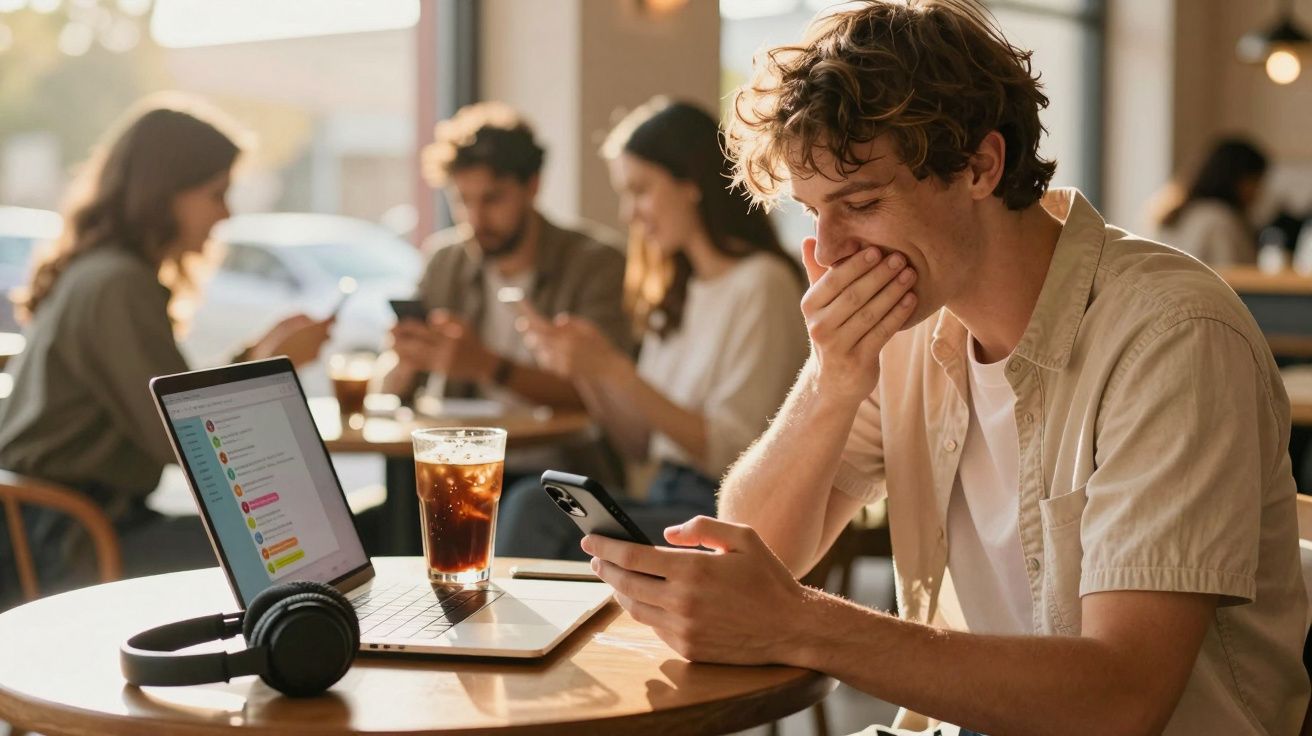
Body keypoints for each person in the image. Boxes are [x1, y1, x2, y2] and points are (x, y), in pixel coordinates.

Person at [578, 3, 1309, 735]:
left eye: (860, 202)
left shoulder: (1171, 336)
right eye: (812, 212)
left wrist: (803, 625)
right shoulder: (910, 322)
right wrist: (830, 384)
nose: (828, 252)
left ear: (981, 166)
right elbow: (748, 547)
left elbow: (1123, 698)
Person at [0, 99, 333, 606]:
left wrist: (261, 353)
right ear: (163, 194)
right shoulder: (117, 284)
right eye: (215, 194)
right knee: (311, 549)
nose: (226, 213)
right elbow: (185, 442)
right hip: (72, 541)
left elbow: (174, 411)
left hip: (62, 526)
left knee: (305, 541)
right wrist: (272, 363)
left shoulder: (100, 271)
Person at [495, 98, 809, 561]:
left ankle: (489, 628)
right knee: (536, 499)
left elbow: (731, 453)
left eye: (640, 190)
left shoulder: (761, 284)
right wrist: (588, 370)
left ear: (691, 183)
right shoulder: (679, 290)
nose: (629, 213)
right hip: (666, 498)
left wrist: (619, 372)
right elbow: (638, 446)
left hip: (720, 509)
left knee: (531, 508)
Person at [383, 102, 630, 411]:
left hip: (564, 456)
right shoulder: (445, 263)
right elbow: (390, 391)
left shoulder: (596, 265)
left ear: (533, 186)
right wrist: (406, 361)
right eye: (462, 201)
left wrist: (485, 365)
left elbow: (610, 396)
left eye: (492, 198)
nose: (475, 219)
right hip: (468, 455)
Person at [1156, 138, 1268, 267]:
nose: (1258, 192)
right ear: (1238, 180)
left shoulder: (1184, 213)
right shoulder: (1219, 220)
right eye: (1255, 182)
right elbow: (1232, 277)